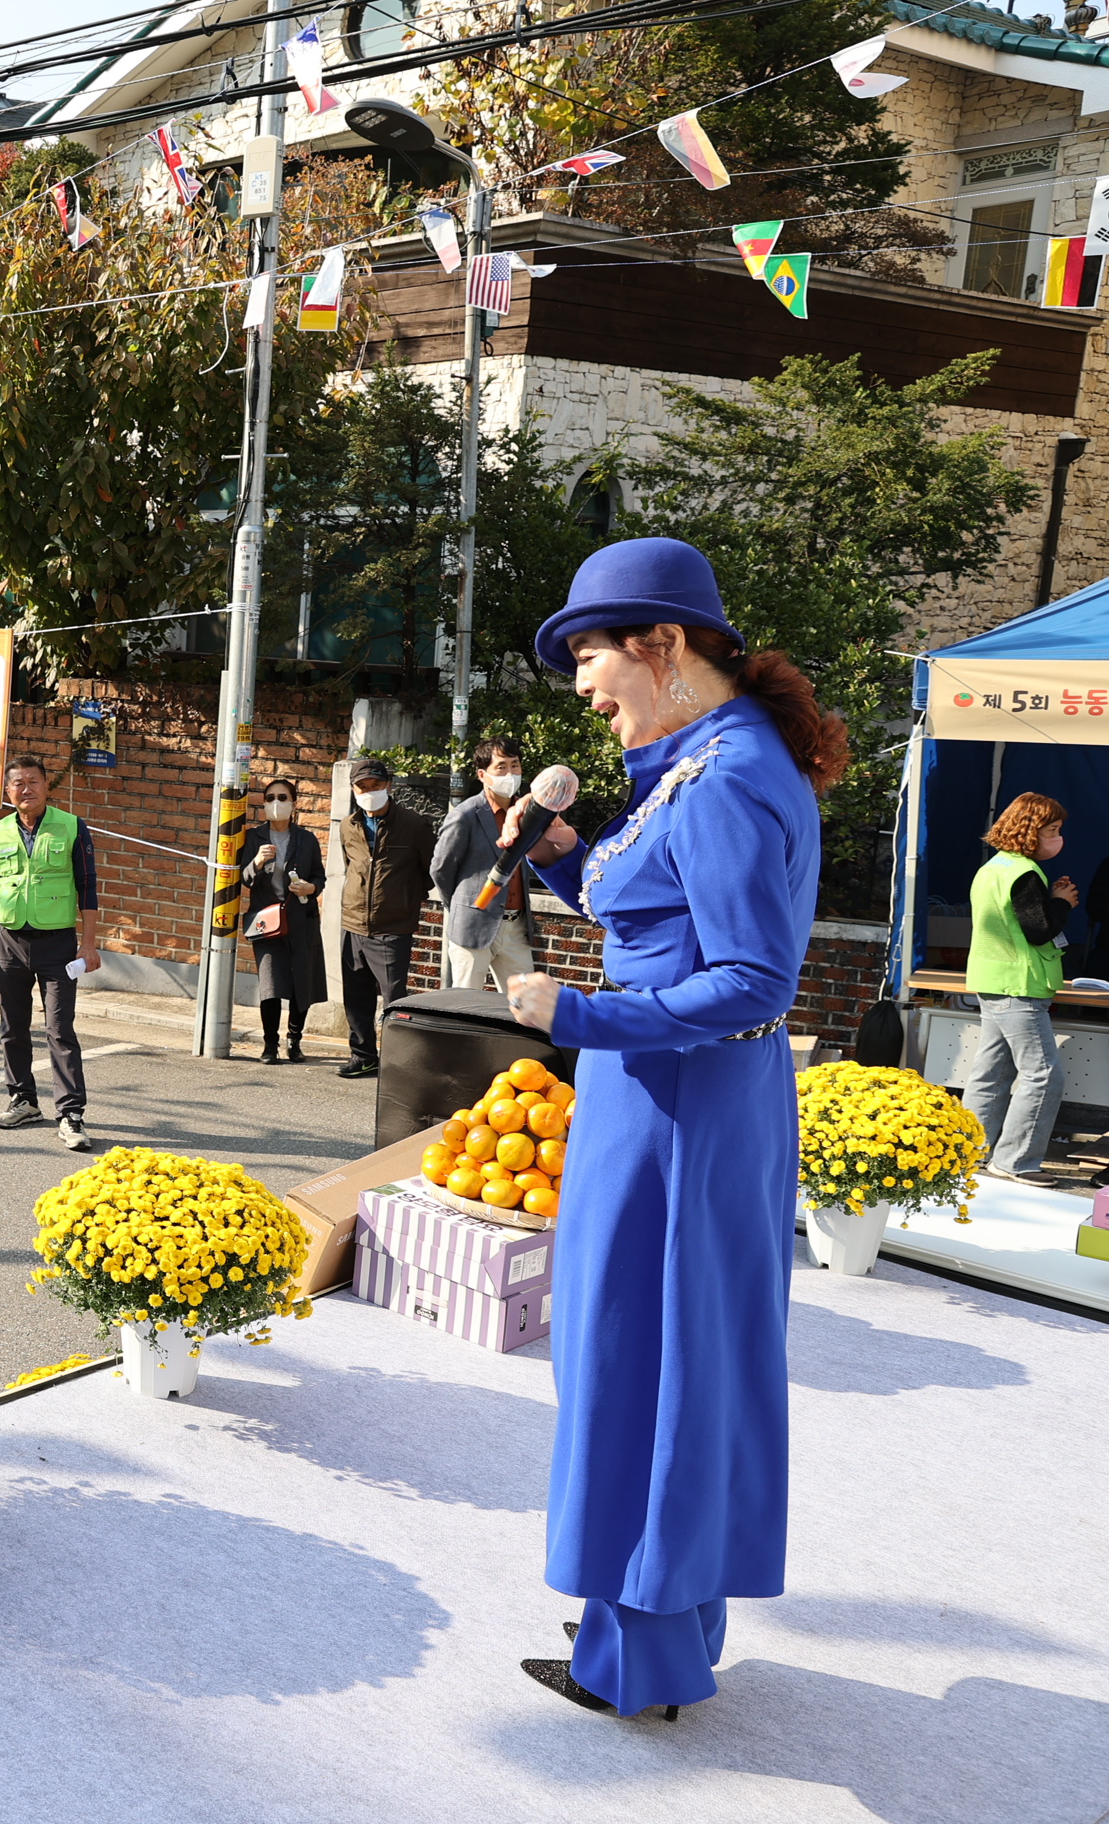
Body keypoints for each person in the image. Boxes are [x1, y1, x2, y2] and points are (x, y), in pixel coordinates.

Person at [496, 535, 845, 1721]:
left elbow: (754, 979)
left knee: (650, 1368)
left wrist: (575, 1010)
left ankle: (638, 1660)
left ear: (665, 646)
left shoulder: (730, 774)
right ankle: (648, 1618)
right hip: (671, 1095)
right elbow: (662, 914)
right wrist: (557, 858)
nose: (588, 695)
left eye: (595, 663)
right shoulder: (707, 759)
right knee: (652, 1360)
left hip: (681, 1108)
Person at [0, 756, 98, 1148]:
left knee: (60, 1029)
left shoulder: (72, 826)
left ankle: (71, 1114)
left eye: (34, 782)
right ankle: (23, 1099)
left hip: (57, 943)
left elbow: (88, 886)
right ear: (8, 792)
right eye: (18, 783)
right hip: (8, 942)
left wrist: (87, 943)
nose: (26, 789)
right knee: (12, 1027)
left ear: (46, 786)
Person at [958, 792, 1081, 1186]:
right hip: (1019, 986)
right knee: (1044, 1075)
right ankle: (1015, 1161)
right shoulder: (1024, 873)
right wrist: (1061, 903)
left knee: (990, 1073)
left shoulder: (993, 868)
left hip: (992, 982)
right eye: (1053, 830)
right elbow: (1040, 930)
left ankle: (967, 1153)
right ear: (1031, 832)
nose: (1058, 838)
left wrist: (1052, 899)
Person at [336, 753, 435, 1080]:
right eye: (361, 786)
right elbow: (351, 867)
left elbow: (428, 872)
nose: (369, 791)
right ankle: (363, 1056)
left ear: (388, 785)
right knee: (356, 996)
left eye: (375, 785)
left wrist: (404, 900)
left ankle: (397, 1063)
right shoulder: (348, 826)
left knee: (394, 1000)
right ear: (353, 789)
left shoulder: (414, 825)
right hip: (353, 924)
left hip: (393, 926)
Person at [433, 737, 539, 993]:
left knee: (526, 1006)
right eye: (501, 767)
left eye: (515, 765)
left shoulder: (527, 814)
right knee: (465, 1005)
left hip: (516, 928)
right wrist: (464, 905)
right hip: (473, 927)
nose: (510, 773)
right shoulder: (465, 815)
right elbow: (440, 869)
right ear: (482, 774)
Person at [238, 777, 325, 1064]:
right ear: (264, 804)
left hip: (302, 918)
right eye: (271, 798)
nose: (277, 804)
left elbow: (318, 877)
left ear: (294, 803)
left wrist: (311, 888)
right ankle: (269, 1044)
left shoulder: (306, 839)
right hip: (267, 921)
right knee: (271, 984)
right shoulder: (254, 838)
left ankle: (294, 1040)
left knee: (303, 980)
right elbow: (245, 878)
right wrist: (257, 862)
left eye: (283, 798)